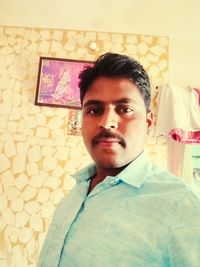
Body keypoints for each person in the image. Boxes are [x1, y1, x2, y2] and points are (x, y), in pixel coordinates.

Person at [37, 53, 200, 267]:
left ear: (149, 122)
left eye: (125, 110)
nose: (107, 122)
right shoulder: (76, 192)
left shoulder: (182, 207)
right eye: (95, 110)